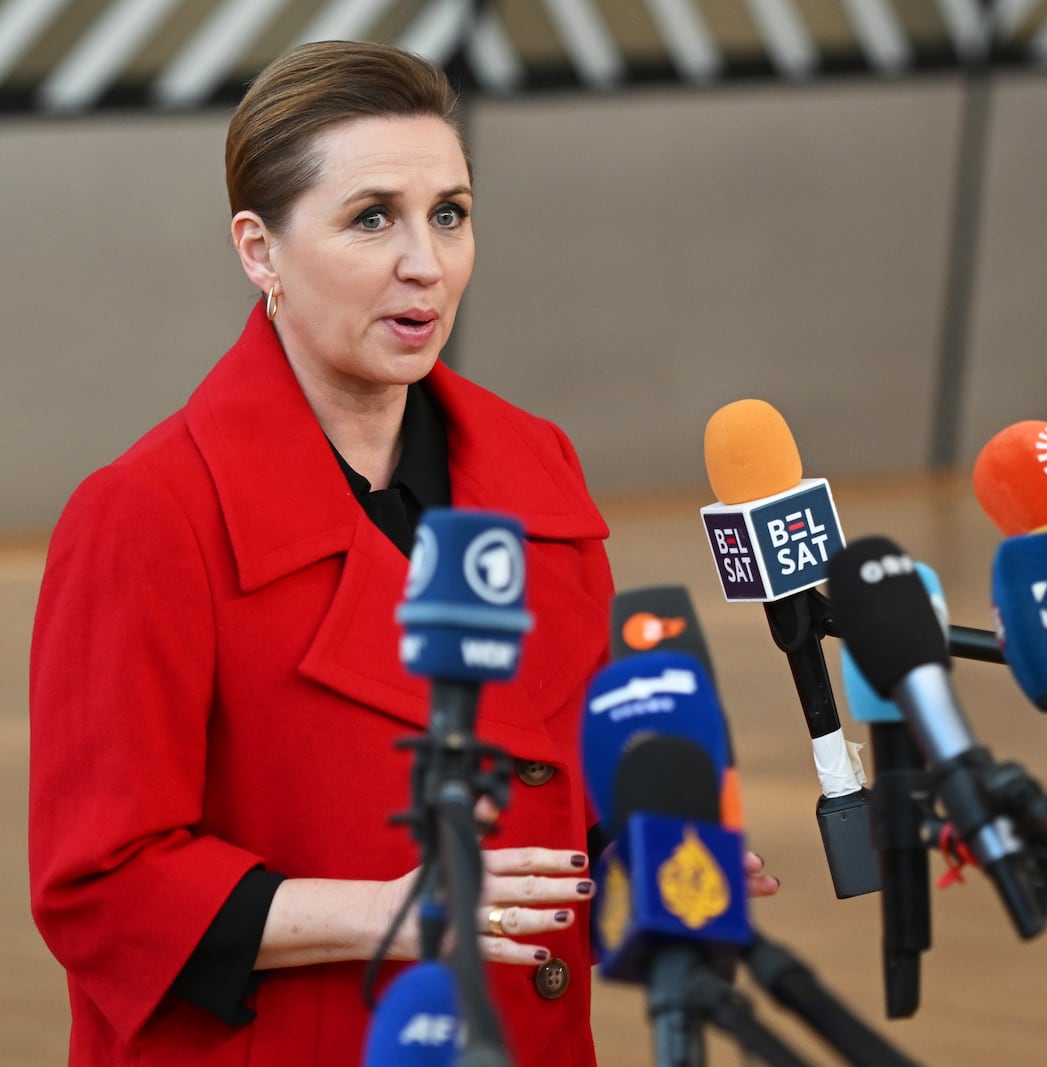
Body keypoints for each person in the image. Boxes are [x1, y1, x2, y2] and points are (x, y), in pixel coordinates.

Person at [29, 41, 774, 1067]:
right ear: (259, 250)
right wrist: (389, 911)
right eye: (371, 216)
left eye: (450, 213)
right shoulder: (144, 515)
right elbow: (100, 883)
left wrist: (652, 833)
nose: (425, 261)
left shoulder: (536, 461)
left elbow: (559, 769)